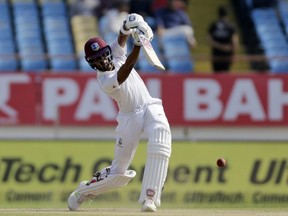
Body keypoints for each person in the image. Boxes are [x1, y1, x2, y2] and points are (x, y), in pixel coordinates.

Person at [67, 13, 172, 212]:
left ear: (107, 51)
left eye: (103, 55)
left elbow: (121, 39)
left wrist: (127, 26)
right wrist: (139, 44)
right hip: (128, 119)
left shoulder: (114, 52)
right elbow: (127, 68)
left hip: (149, 106)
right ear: (92, 64)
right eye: (96, 60)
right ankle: (84, 191)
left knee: (161, 136)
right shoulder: (104, 80)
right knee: (118, 175)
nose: (102, 61)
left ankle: (150, 198)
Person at [207, 6, 239, 73]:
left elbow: (210, 41)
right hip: (227, 56)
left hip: (216, 55)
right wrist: (233, 54)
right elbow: (235, 42)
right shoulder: (231, 26)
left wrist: (220, 46)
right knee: (225, 76)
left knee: (216, 75)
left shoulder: (213, 26)